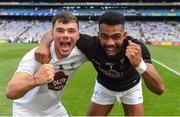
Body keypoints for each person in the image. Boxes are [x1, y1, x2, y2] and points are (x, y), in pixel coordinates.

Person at [35, 12, 165, 116]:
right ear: (98, 35)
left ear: (124, 35)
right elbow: (53, 33)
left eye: (115, 36)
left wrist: (139, 65)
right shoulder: (91, 44)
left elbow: (159, 89)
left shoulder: (136, 48)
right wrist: (43, 45)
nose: (110, 43)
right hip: (105, 87)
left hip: (131, 88)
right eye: (104, 36)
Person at [5, 12, 86, 116]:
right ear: (52, 34)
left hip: (55, 109)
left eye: (71, 31)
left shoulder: (80, 53)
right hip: (26, 110)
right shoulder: (36, 56)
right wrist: (36, 79)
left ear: (78, 35)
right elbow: (10, 92)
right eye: (60, 31)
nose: (66, 35)